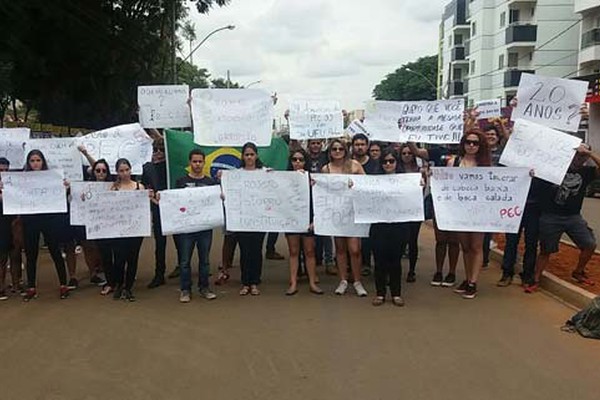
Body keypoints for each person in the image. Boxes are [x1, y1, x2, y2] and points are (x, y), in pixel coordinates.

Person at [529, 144, 600, 293]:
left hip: (573, 217)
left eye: (583, 156)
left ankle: (579, 271)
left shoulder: (587, 172)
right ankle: (535, 279)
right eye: (577, 155)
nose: (579, 159)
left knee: (589, 245)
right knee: (546, 250)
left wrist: (590, 153)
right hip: (551, 216)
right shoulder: (554, 169)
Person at [19, 150, 70, 301]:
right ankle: (31, 287)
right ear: (28, 163)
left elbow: (62, 194)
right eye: (32, 161)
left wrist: (66, 187)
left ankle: (63, 284)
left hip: (49, 219)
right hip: (30, 220)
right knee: (31, 254)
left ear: (43, 162)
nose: (35, 163)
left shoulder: (52, 177)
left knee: (55, 251)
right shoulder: (22, 179)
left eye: (38, 160)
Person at [407, 141, 460, 287]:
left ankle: (452, 272)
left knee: (454, 240)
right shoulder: (437, 151)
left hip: (460, 202)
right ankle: (438, 271)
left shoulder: (464, 153)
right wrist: (407, 133)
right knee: (441, 239)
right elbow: (416, 151)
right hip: (440, 201)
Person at [446, 131, 492, 299]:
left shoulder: (486, 165)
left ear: (480, 146)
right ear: (463, 144)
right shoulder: (454, 162)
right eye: (468, 142)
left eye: (475, 143)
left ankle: (473, 281)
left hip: (479, 211)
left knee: (476, 246)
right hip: (460, 210)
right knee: (465, 246)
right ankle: (466, 278)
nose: (471, 145)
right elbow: (445, 182)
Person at [322, 138, 368, 297]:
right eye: (334, 149)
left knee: (355, 249)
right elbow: (323, 191)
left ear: (345, 150)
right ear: (330, 152)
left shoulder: (355, 165)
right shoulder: (326, 169)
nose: (337, 152)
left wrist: (356, 185)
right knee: (340, 249)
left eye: (340, 149)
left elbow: (367, 184)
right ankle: (343, 280)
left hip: (353, 212)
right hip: (336, 213)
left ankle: (357, 281)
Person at [172, 149, 218, 303]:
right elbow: (174, 202)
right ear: (189, 163)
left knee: (204, 260)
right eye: (194, 161)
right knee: (185, 261)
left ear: (204, 163)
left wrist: (221, 196)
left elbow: (216, 202)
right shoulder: (180, 182)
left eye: (200, 161)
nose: (197, 164)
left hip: (205, 228)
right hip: (186, 228)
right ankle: (185, 289)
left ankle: (204, 287)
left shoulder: (211, 183)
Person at [367, 148, 408, 306]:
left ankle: (396, 293)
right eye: (385, 161)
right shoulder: (374, 181)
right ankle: (380, 293)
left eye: (391, 161)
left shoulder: (406, 180)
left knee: (395, 260)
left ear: (397, 163)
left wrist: (419, 184)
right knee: (379, 260)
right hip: (379, 225)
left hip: (399, 225)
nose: (388, 164)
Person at [285, 149, 323, 296]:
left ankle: (312, 282)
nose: (298, 162)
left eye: (301, 159)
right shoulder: (284, 179)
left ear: (306, 162)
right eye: (294, 160)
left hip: (308, 220)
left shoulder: (312, 179)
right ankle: (293, 282)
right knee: (293, 252)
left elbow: (319, 201)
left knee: (309, 251)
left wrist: (315, 219)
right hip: (291, 219)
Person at [143, 137, 179, 288]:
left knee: (180, 239)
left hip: (175, 207)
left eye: (162, 150)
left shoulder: (173, 165)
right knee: (160, 242)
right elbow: (145, 184)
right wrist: (149, 193)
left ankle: (182, 266)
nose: (158, 153)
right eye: (155, 150)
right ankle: (159, 274)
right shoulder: (147, 167)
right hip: (157, 208)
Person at [111, 158, 147, 302]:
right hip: (119, 230)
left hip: (135, 229)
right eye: (121, 171)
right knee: (119, 259)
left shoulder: (140, 187)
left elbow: (144, 209)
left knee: (132, 259)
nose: (125, 173)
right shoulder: (113, 188)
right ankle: (119, 284)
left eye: (127, 170)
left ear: (131, 170)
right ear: (117, 172)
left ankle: (128, 288)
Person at [234, 142, 267, 296]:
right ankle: (245, 283)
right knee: (245, 251)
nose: (249, 157)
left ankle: (255, 282)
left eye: (252, 154)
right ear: (242, 156)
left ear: (256, 156)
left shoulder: (264, 172)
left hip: (259, 219)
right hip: (243, 219)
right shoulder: (236, 174)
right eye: (246, 154)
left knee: (256, 251)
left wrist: (274, 176)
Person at [306, 139, 335, 275]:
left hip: (324, 197)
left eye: (318, 143)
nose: (316, 146)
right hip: (307, 198)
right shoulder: (304, 157)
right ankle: (312, 264)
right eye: (313, 143)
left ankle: (329, 262)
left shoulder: (326, 156)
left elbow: (335, 142)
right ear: (308, 145)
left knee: (326, 231)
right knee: (309, 232)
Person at [352, 133, 378, 277]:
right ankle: (352, 266)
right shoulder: (347, 163)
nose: (360, 147)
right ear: (353, 146)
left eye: (362, 144)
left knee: (368, 236)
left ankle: (366, 263)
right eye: (357, 144)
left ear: (367, 146)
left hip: (370, 206)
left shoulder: (375, 164)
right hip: (351, 205)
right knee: (352, 237)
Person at [397, 144, 423, 283]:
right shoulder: (395, 170)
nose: (407, 155)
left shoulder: (420, 171)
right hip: (399, 210)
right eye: (404, 153)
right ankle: (396, 269)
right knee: (399, 241)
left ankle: (412, 270)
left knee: (412, 240)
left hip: (414, 210)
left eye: (409, 153)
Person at [0, 158, 17, 300]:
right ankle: (1, 287)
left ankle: (17, 284)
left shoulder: (14, 183)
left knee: (15, 254)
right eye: (1, 170)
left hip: (14, 223)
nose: (4, 172)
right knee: (2, 257)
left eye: (6, 170)